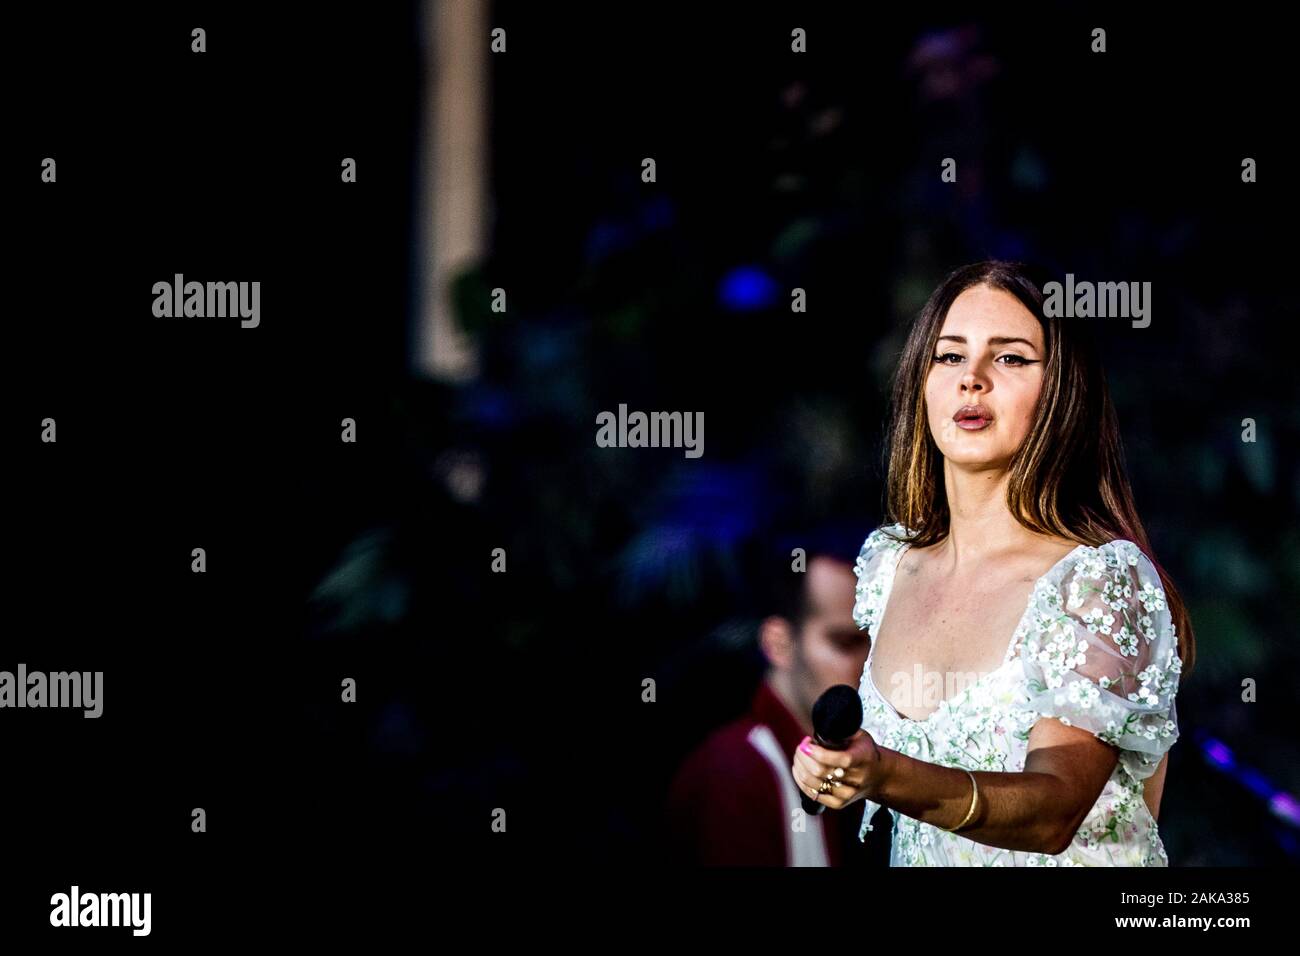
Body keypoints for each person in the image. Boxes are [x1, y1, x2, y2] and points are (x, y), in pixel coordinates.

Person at [791, 260, 1196, 865]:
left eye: (1009, 358)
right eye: (949, 356)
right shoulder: (889, 566)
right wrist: (831, 766)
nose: (971, 379)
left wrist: (887, 774)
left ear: (1061, 391)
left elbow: (1055, 810)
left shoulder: (1097, 580)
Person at [665, 547, 887, 866]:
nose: (869, 664)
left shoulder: (862, 760)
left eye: (876, 642)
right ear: (778, 644)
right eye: (846, 643)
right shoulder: (732, 771)